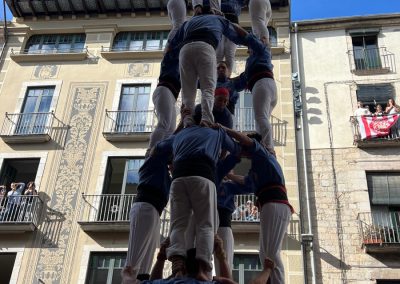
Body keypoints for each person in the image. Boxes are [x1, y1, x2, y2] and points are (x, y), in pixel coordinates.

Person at [159, 114, 241, 279]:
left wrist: (181, 127)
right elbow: (237, 149)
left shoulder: (182, 134)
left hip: (179, 178)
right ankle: (203, 270)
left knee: (177, 225)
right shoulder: (215, 132)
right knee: (206, 225)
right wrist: (222, 132)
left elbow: (161, 148)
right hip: (203, 176)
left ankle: (177, 268)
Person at [220, 126, 293, 284]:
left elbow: (245, 140)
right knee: (264, 253)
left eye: (244, 148)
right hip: (271, 204)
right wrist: (229, 175)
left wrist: (223, 129)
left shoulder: (261, 154)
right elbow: (246, 182)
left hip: (274, 203)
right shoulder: (259, 165)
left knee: (271, 254)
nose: (242, 151)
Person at [167, 7, 248, 126]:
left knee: (188, 92)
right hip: (205, 46)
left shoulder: (188, 22)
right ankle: (206, 119)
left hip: (185, 51)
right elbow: (235, 35)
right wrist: (251, 43)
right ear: (212, 13)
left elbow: (172, 43)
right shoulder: (217, 19)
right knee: (208, 88)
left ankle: (188, 121)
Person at [121, 138, 173, 284]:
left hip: (153, 212)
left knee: (145, 266)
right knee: (133, 262)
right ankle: (128, 279)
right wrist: (184, 125)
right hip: (145, 207)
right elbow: (165, 145)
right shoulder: (152, 163)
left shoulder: (167, 178)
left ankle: (140, 279)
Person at [236, 28, 277, 153]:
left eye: (249, 48)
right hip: (268, 86)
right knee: (261, 120)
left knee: (260, 118)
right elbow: (239, 82)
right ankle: (263, 144)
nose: (248, 50)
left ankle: (269, 148)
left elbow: (250, 38)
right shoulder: (255, 60)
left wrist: (233, 26)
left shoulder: (262, 50)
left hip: (261, 84)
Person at [148, 49, 181, 150]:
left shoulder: (184, 66)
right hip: (164, 89)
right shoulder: (172, 57)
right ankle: (150, 152)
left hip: (170, 95)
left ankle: (162, 155)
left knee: (170, 130)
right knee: (164, 124)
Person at [216, 0, 246, 75]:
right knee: (220, 51)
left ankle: (227, 76)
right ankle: (218, 76)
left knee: (228, 52)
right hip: (222, 22)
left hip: (230, 23)